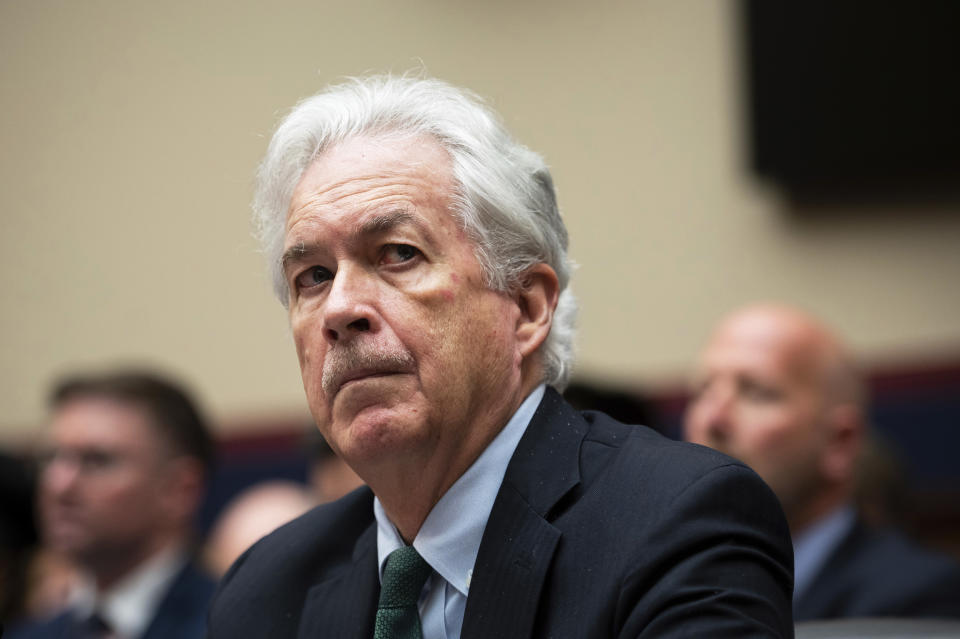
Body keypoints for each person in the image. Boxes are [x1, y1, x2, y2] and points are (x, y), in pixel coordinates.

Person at [207, 75, 794, 638]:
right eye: (313, 276)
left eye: (397, 254)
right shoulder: (267, 590)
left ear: (527, 305)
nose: (340, 308)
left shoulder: (678, 521)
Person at [684, 303, 960, 620]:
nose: (713, 419)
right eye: (703, 390)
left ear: (839, 442)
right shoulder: (662, 578)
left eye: (756, 393)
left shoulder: (914, 600)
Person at [8, 370, 216, 639]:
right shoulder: (27, 636)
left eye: (97, 460)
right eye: (49, 459)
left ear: (179, 490)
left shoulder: (237, 627)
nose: (58, 485)